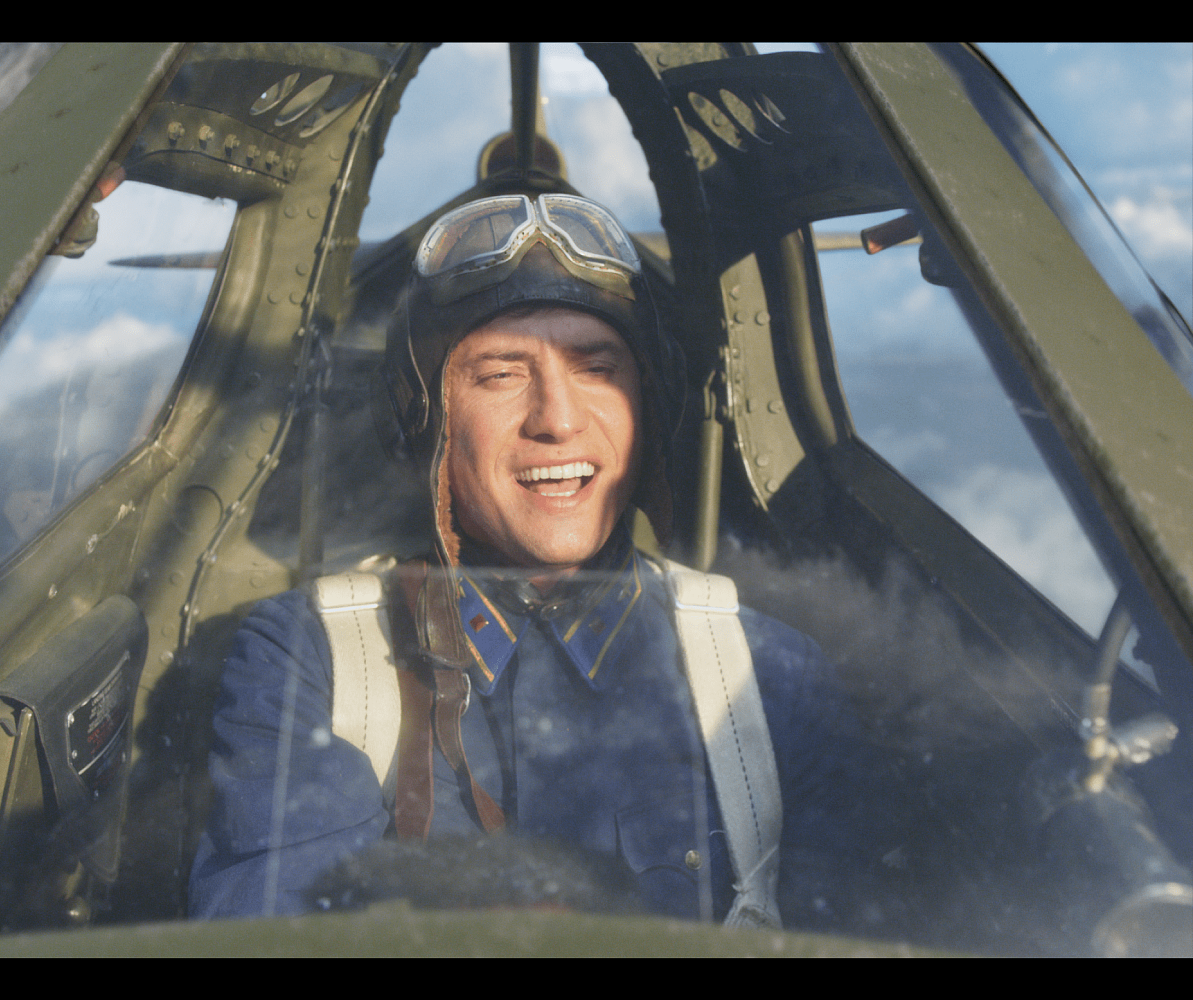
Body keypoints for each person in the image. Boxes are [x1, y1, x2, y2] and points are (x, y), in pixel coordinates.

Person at [189, 193, 868, 925]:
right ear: (428, 421)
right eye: (501, 374)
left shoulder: (771, 678)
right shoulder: (310, 659)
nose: (558, 419)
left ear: (647, 405)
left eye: (597, 368)